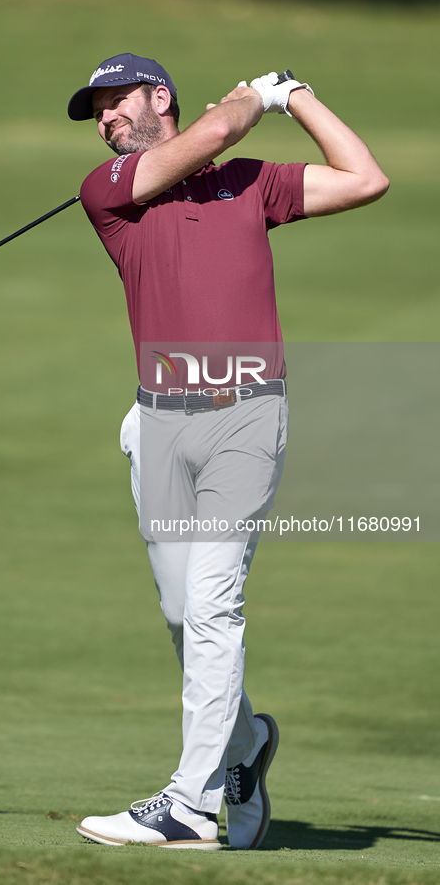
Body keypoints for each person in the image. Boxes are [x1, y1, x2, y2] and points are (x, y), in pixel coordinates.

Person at [67, 53, 388, 850]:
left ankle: (187, 802)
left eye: (113, 103)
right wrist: (254, 97)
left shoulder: (249, 182)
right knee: (184, 618)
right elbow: (212, 130)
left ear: (156, 97)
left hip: (246, 413)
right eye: (96, 112)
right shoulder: (110, 191)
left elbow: (363, 177)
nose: (103, 120)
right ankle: (245, 749)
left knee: (212, 605)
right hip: (159, 421)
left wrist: (299, 97)